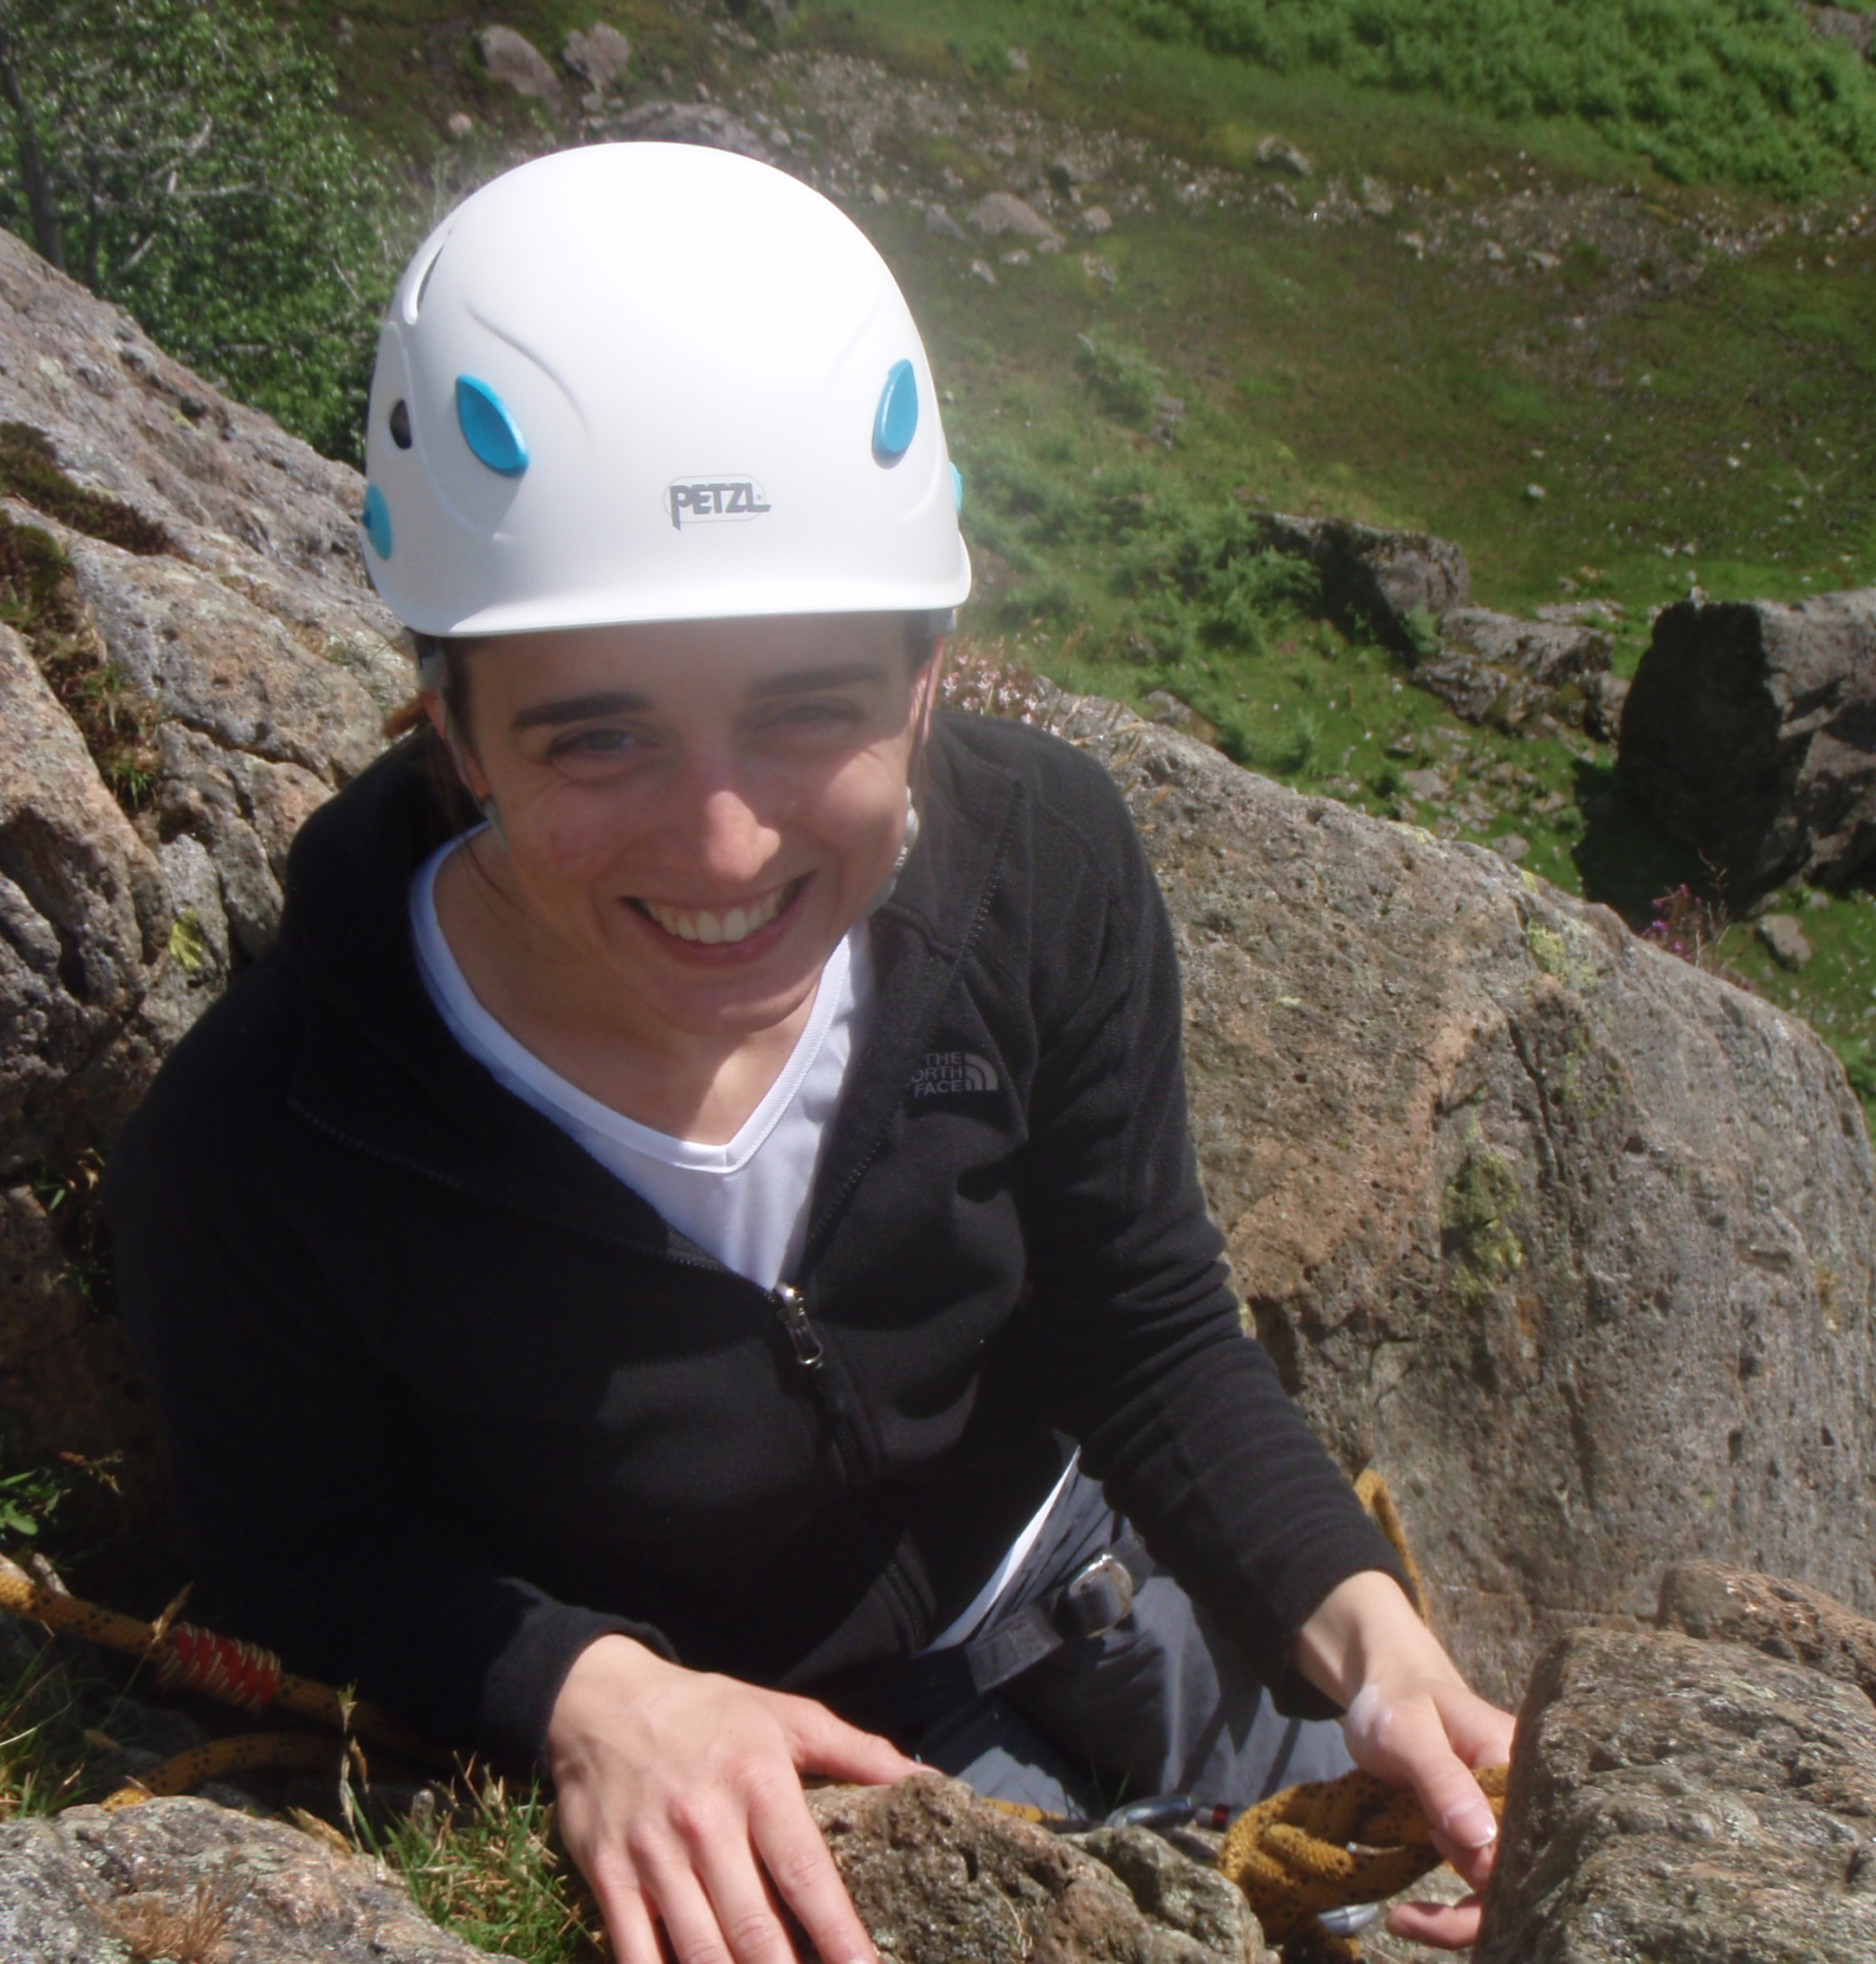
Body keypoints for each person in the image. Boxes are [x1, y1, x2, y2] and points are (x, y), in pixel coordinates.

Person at [106, 142, 1513, 1962]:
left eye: (812, 712)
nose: (724, 850)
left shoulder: (1041, 871)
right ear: (452, 725)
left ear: (934, 677)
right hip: (778, 1781)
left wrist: (1372, 1646)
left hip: (1106, 1623)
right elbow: (300, 1553)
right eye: (595, 740)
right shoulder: (263, 1151)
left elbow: (1142, 1320)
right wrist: (582, 1688)